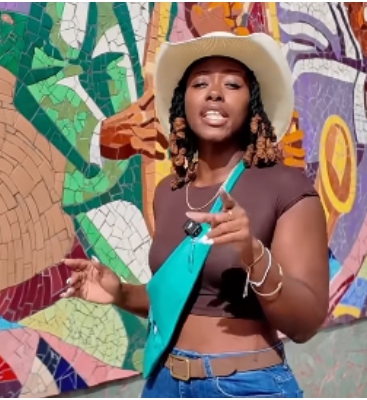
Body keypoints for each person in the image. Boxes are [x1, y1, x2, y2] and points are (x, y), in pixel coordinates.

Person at [62, 31, 329, 398]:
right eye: (200, 83)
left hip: (244, 385)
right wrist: (120, 292)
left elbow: (305, 323)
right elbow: (178, 297)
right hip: (164, 383)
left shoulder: (285, 186)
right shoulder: (168, 193)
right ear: (182, 103)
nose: (214, 92)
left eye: (232, 84)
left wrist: (253, 255)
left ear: (252, 104)